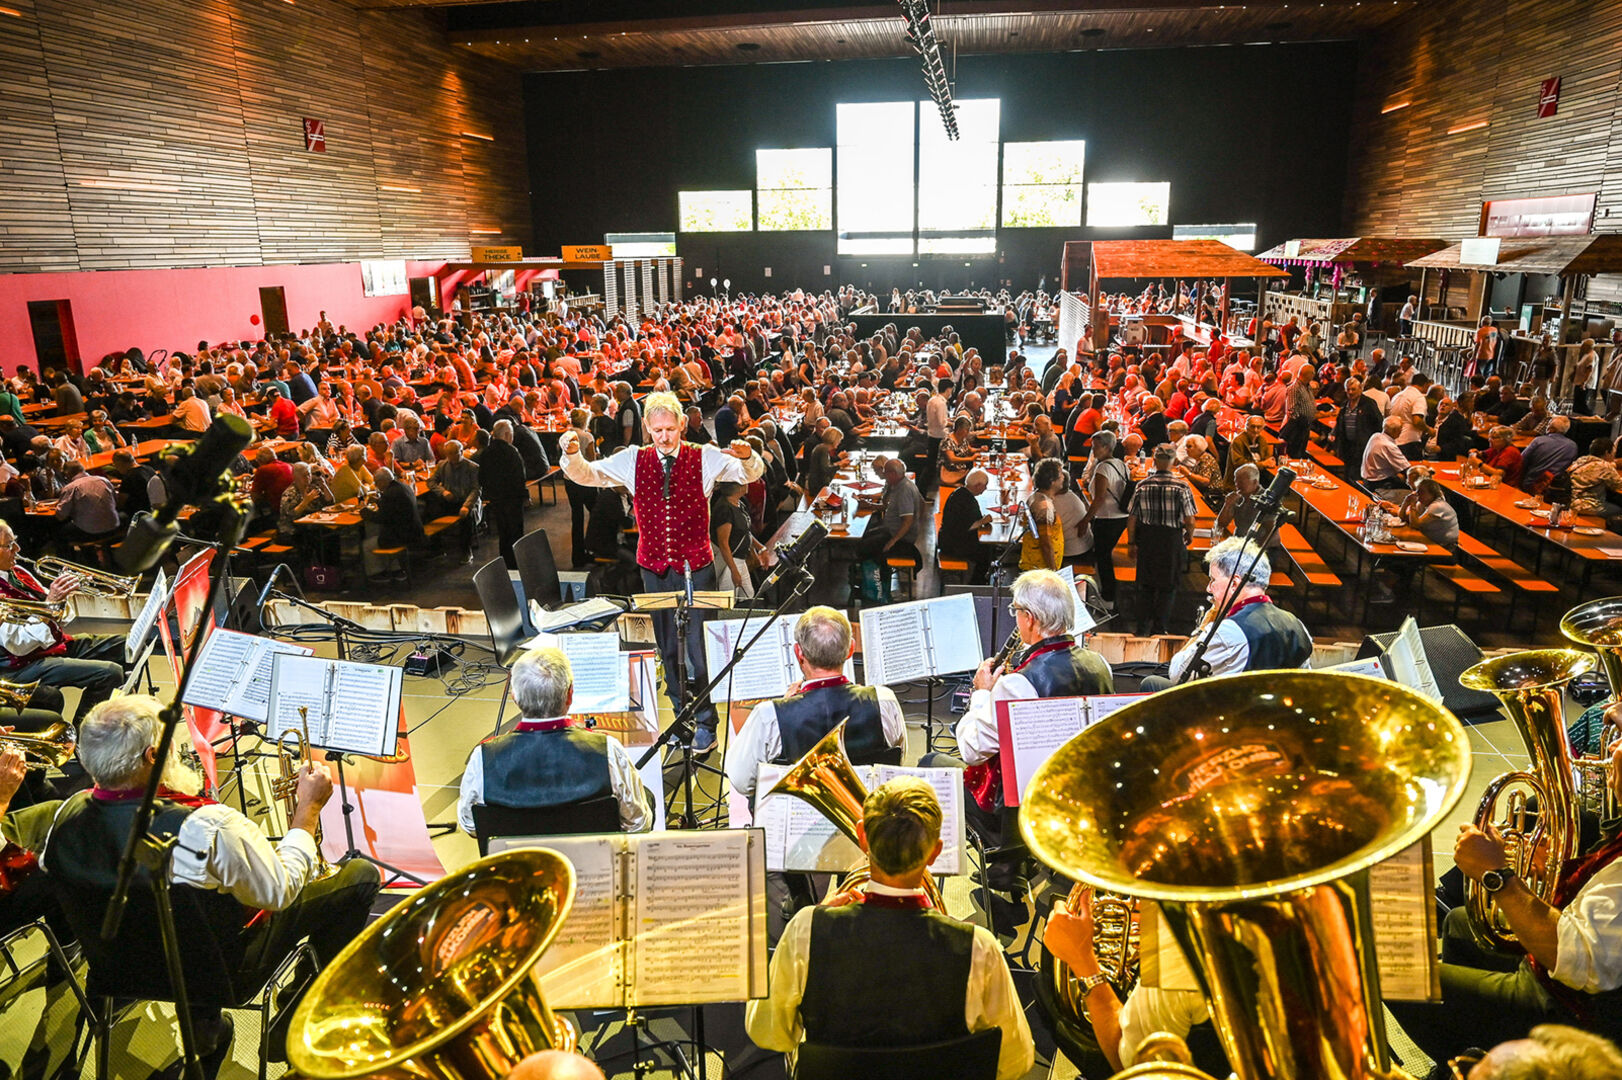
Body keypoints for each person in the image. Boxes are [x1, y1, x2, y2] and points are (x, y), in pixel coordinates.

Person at [42, 695, 381, 1067]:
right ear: (154, 757)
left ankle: (206, 1028)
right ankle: (292, 1016)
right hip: (219, 976)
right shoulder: (207, 826)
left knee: (179, 909)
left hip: (117, 971)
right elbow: (279, 890)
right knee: (360, 877)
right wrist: (307, 812)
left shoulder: (65, 815)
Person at [743, 778, 1036, 1080]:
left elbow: (769, 1034)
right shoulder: (978, 947)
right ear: (935, 852)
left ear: (861, 838)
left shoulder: (806, 928)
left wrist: (818, 920)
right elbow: (1017, 1060)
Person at [1385, 735, 1622, 1063]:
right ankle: (1472, 1047)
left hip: (1579, 1013)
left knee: (1396, 975)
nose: (1612, 747)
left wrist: (1499, 876)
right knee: (1457, 922)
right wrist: (1560, 867)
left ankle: (1474, 1067)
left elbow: (1582, 964)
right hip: (1573, 971)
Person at [560, 391, 764, 755]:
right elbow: (587, 476)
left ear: (682, 425)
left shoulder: (704, 456)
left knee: (699, 650)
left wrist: (748, 456)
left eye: (670, 429)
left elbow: (748, 472)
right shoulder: (631, 460)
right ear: (647, 429)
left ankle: (707, 723)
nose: (665, 437)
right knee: (667, 648)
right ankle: (680, 720)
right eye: (657, 431)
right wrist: (572, 454)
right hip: (653, 568)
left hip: (695, 569)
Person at [927, 569, 1112, 844]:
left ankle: (1005, 864)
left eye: (1016, 611)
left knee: (930, 762)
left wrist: (981, 694)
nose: (1016, 618)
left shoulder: (1019, 684)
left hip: (1022, 812)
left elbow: (971, 750)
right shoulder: (1101, 665)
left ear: (1030, 618)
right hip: (1082, 800)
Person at [457, 647, 651, 835]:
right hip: (591, 863)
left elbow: (471, 825)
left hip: (518, 864)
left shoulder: (483, 758)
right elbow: (637, 824)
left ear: (514, 697)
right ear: (570, 694)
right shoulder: (608, 751)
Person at [725, 607, 906, 801]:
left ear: (798, 653)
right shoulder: (883, 701)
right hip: (865, 815)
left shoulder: (770, 715)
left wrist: (785, 708)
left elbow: (742, 782)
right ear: (851, 649)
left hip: (794, 817)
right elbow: (896, 762)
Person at [0, 522, 123, 722]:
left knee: (124, 645)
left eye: (16, 542)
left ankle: (118, 717)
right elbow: (19, 646)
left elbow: (62, 617)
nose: (18, 549)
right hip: (20, 666)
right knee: (109, 673)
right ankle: (85, 738)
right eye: (9, 545)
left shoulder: (19, 573)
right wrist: (51, 604)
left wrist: (62, 596)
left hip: (49, 645)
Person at [1149, 539, 1312, 690]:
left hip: (1231, 714)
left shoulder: (1228, 631)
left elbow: (1178, 674)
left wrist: (1204, 627)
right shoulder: (1298, 625)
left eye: (1213, 580)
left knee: (1152, 683)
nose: (1208, 588)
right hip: (1278, 714)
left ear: (1234, 583)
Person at [1127, 444, 1198, 637]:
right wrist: (1189, 535)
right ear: (1174, 462)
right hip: (1171, 538)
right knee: (1168, 585)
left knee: (1145, 584)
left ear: (1155, 461)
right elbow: (1190, 519)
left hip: (1148, 538)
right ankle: (1160, 628)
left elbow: (1132, 517)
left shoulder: (1142, 485)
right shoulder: (1182, 486)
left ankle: (1142, 628)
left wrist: (1131, 542)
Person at [1077, 431, 1130, 612]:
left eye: (1096, 447)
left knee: (1103, 559)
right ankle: (1110, 594)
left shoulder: (1102, 469)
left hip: (1106, 519)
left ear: (1107, 447)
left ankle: (1108, 598)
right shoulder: (1122, 465)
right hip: (1121, 518)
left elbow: (1099, 498)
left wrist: (1085, 520)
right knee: (1107, 557)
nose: (1093, 450)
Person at [481, 420, 530, 569]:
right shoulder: (512, 452)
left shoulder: (486, 452)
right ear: (508, 434)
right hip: (512, 498)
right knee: (515, 531)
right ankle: (517, 563)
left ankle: (505, 562)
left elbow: (482, 476)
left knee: (503, 531)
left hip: (496, 498)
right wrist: (525, 497)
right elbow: (520, 477)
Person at [362, 468, 424, 580]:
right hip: (415, 531)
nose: (376, 485)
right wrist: (378, 501)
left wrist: (364, 511)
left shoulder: (389, 495)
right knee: (380, 533)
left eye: (376, 483)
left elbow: (382, 518)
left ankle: (377, 573)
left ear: (382, 482)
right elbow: (394, 509)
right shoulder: (403, 486)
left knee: (367, 545)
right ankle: (395, 569)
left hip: (403, 537)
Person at [425, 439, 481, 562]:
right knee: (432, 511)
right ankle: (436, 548)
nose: (451, 458)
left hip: (466, 500)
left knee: (466, 518)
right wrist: (443, 491)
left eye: (454, 454)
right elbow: (431, 481)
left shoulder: (472, 467)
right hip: (449, 499)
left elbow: (476, 490)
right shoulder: (443, 465)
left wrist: (467, 505)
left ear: (460, 452)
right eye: (448, 455)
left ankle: (466, 551)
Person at [939, 469, 994, 584]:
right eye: (985, 486)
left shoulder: (960, 492)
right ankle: (977, 583)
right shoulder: (967, 500)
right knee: (987, 551)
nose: (986, 489)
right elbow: (967, 526)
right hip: (953, 545)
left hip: (946, 538)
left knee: (987, 549)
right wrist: (984, 520)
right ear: (978, 485)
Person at [53, 461, 120, 545]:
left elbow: (60, 516)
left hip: (91, 532)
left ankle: (71, 557)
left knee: (58, 532)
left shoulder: (71, 487)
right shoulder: (103, 480)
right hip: (113, 525)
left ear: (67, 473)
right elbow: (115, 501)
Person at [1018, 457, 1066, 572]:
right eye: (1060, 474)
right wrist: (1053, 571)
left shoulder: (1036, 496)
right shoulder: (1044, 507)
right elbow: (1045, 543)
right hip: (1040, 569)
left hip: (1035, 565)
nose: (1063, 477)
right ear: (1051, 481)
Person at [1519, 415, 1580, 495]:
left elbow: (1521, 460)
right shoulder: (1573, 446)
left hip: (1531, 485)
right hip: (1556, 488)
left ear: (1550, 429)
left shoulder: (1539, 441)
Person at [1396, 477, 1459, 550]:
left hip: (1444, 547)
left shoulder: (1438, 506)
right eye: (1417, 491)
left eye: (1421, 492)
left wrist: (1412, 505)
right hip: (1429, 541)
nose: (1417, 494)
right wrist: (1406, 502)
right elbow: (1403, 518)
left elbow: (1415, 525)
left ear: (1432, 494)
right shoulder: (1422, 503)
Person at [1570, 437, 1622, 518]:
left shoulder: (1581, 460)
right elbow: (1619, 485)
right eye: (1613, 452)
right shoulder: (1605, 466)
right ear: (1607, 453)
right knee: (1619, 510)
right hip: (1587, 506)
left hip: (1570, 501)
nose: (1614, 455)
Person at [1361, 415, 1411, 499]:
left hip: (1368, 480)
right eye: (1401, 429)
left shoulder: (1375, 436)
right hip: (1379, 484)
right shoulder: (1388, 445)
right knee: (1414, 492)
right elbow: (1407, 469)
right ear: (1395, 431)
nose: (1402, 431)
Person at [1225, 414, 1275, 489]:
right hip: (1238, 482)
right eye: (1253, 426)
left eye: (1259, 427)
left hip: (1258, 479)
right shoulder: (1238, 441)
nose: (1255, 430)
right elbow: (1239, 464)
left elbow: (1267, 458)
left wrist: (1271, 461)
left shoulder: (1262, 440)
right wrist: (1262, 464)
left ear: (1263, 428)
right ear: (1246, 427)